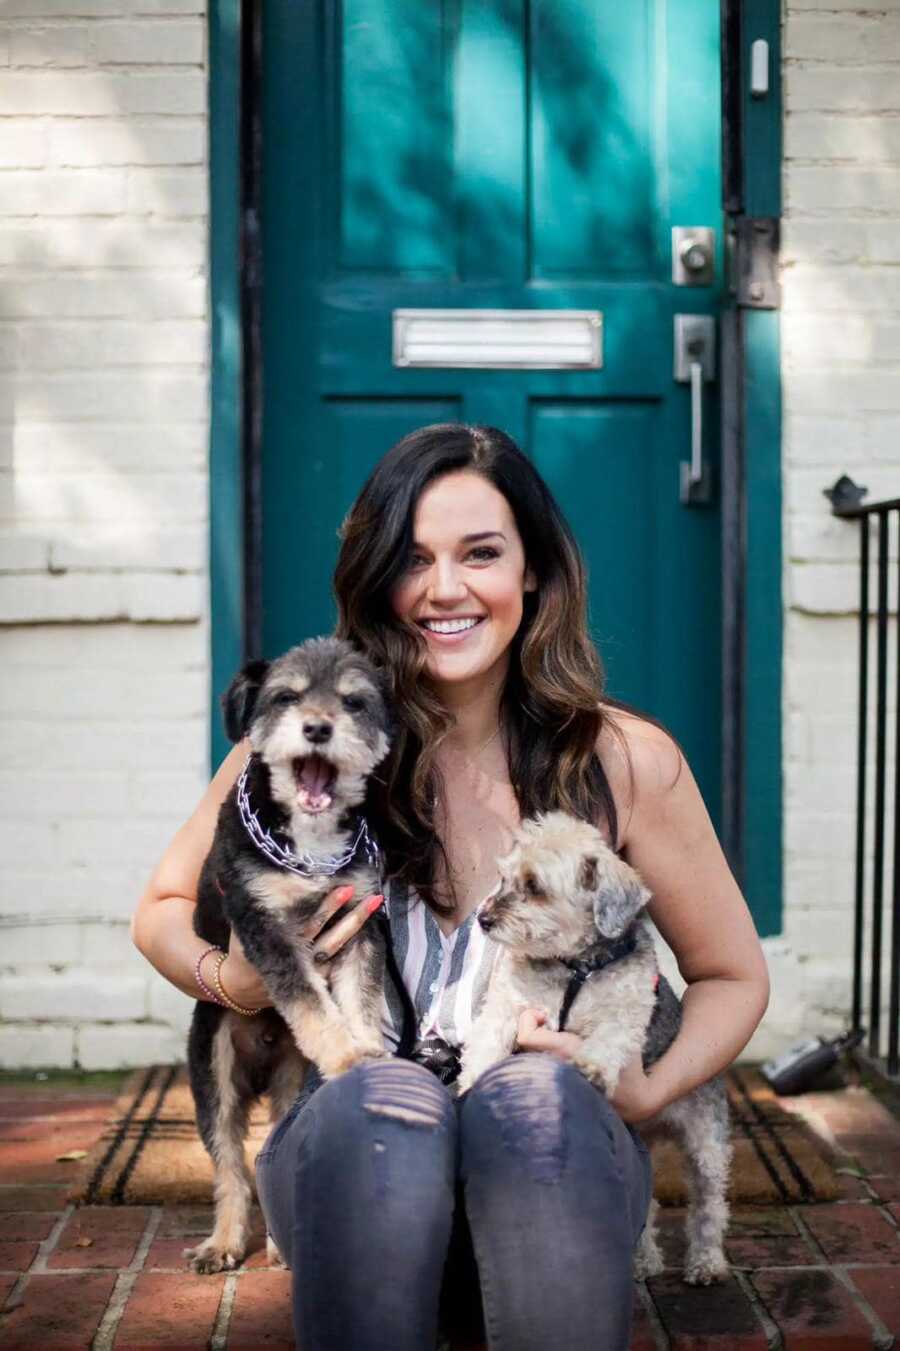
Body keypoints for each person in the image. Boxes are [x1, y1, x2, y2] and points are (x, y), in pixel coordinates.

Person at [132, 423, 769, 1351]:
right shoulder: (311, 745)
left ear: (535, 573)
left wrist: (641, 1088)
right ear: (377, 579)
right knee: (377, 1102)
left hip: (557, 1170)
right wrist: (236, 980)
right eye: (413, 558)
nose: (444, 588)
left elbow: (734, 976)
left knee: (536, 1101)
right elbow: (156, 913)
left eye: (481, 554)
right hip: (353, 1164)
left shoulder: (624, 762)